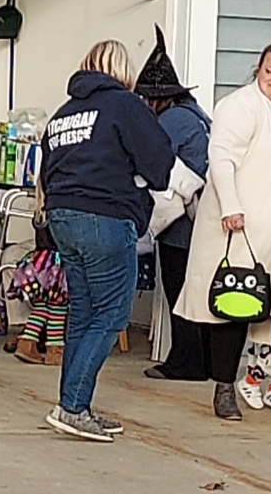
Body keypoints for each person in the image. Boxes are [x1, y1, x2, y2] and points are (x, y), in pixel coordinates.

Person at [177, 38, 271, 430]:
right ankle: (224, 389)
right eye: (268, 72)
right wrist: (231, 206)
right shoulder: (241, 106)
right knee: (237, 310)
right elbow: (222, 157)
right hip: (247, 233)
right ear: (257, 71)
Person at [38, 39, 180, 444]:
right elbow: (159, 161)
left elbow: (47, 169)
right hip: (104, 216)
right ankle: (72, 406)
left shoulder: (64, 113)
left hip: (63, 217)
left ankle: (75, 405)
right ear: (122, 71)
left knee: (83, 313)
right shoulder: (124, 104)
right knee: (113, 314)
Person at [135, 27, 212, 383]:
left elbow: (152, 161)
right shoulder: (198, 115)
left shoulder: (171, 120)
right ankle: (207, 361)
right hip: (207, 222)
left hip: (182, 226)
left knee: (180, 293)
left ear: (157, 98)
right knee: (203, 294)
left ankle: (185, 362)